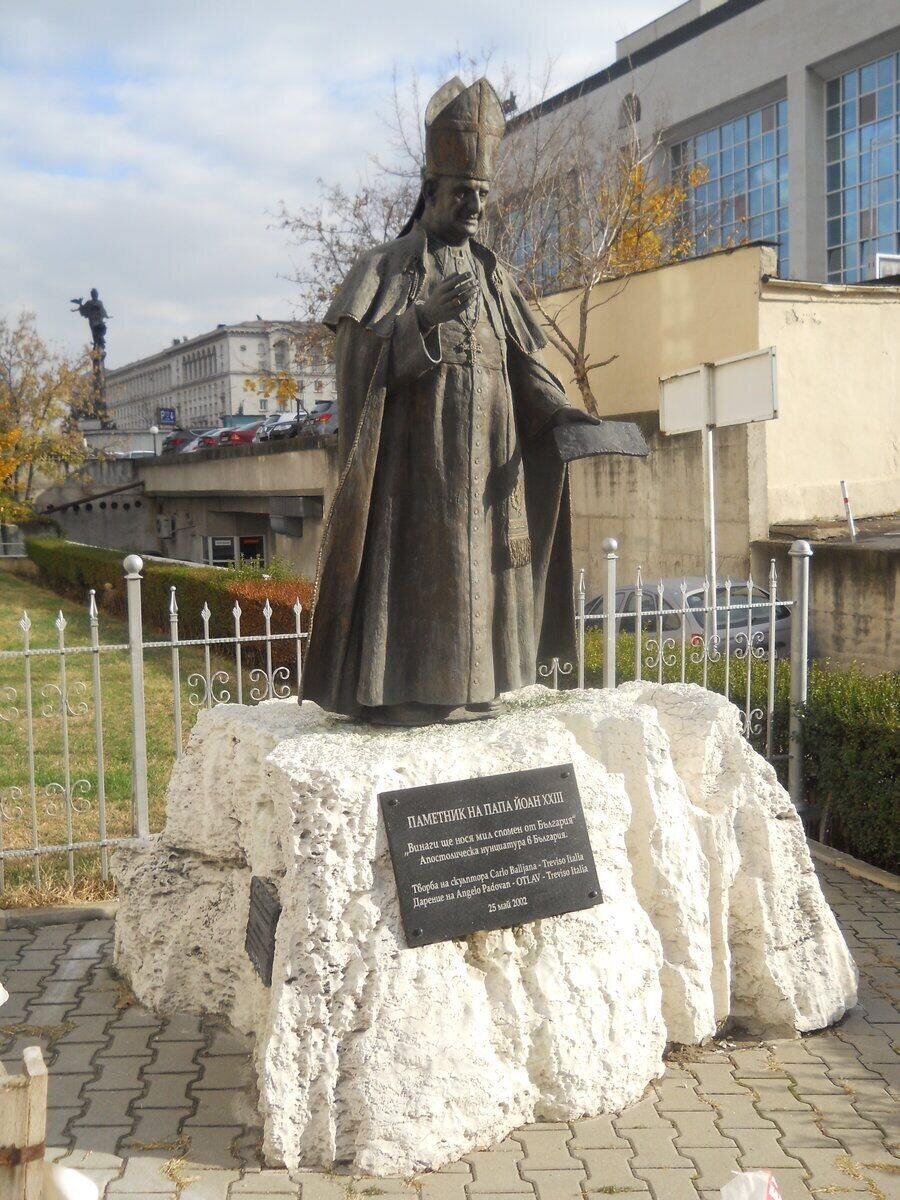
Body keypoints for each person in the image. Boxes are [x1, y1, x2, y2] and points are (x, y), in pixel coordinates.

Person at [302, 77, 599, 726]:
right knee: (424, 577)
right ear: (430, 190)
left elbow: (525, 364)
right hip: (415, 477)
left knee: (481, 576)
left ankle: (477, 685)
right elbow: (355, 367)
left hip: (489, 468)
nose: (475, 205)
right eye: (463, 192)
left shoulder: (495, 276)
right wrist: (421, 322)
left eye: (483, 194)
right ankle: (404, 692)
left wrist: (561, 413)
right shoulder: (384, 268)